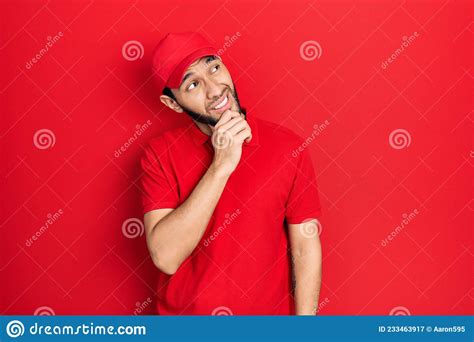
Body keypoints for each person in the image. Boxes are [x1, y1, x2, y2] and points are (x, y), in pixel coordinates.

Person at [140, 32, 323, 315]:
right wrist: (221, 166)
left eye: (214, 67)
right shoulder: (159, 155)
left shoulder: (289, 146)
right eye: (192, 84)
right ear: (173, 104)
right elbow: (166, 257)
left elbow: (305, 245)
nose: (215, 90)